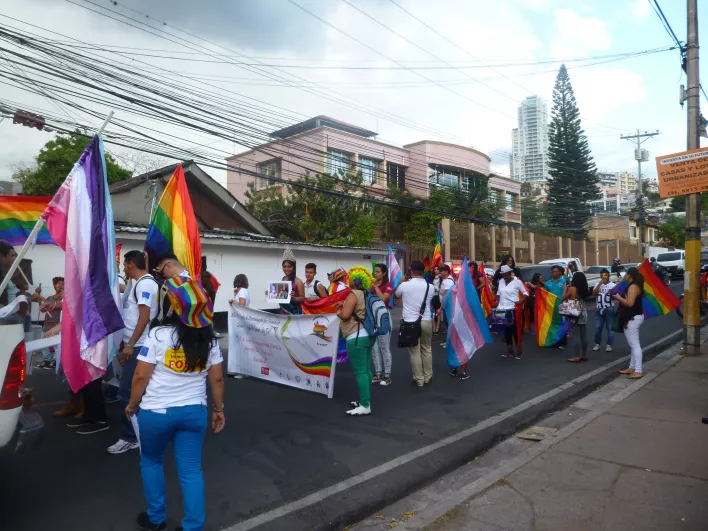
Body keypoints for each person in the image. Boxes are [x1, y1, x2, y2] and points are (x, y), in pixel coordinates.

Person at [126, 277, 224, 531]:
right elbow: (217, 379)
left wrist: (132, 405)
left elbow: (139, 377)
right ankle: (193, 526)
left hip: (156, 413)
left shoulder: (158, 335)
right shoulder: (210, 339)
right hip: (195, 412)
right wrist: (218, 409)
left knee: (151, 461)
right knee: (191, 471)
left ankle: (156, 518)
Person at [108, 250, 160, 455]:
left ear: (130, 264)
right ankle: (143, 433)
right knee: (140, 393)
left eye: (124, 265)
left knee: (127, 393)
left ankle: (130, 438)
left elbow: (144, 318)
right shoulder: (137, 283)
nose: (123, 269)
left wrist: (130, 345)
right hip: (135, 344)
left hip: (139, 346)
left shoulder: (145, 284)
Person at [336, 266, 376, 415]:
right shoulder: (367, 293)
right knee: (366, 371)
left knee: (360, 372)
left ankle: (365, 405)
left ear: (352, 280)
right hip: (368, 335)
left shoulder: (353, 294)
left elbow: (346, 315)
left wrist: (339, 312)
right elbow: (357, 310)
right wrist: (345, 306)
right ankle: (365, 400)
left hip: (356, 337)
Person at [395, 260, 435, 387]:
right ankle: (428, 376)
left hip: (410, 322)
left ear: (411, 270)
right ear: (423, 271)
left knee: (414, 351)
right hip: (427, 320)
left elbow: (396, 295)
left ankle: (419, 379)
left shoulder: (405, 285)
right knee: (427, 349)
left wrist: (401, 282)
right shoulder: (431, 287)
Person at [613, 267, 645, 379]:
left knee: (635, 345)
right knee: (633, 344)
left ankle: (638, 370)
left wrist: (618, 298)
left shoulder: (633, 286)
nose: (624, 275)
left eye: (626, 273)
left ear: (630, 274)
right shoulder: (634, 285)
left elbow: (630, 303)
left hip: (632, 318)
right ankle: (632, 367)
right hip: (633, 317)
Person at [494, 265, 528, 359]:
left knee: (515, 331)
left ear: (510, 273)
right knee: (506, 331)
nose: (505, 276)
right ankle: (510, 351)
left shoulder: (517, 282)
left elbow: (526, 293)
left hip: (513, 309)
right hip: (502, 309)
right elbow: (498, 293)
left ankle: (519, 351)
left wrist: (521, 301)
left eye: (507, 274)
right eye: (503, 275)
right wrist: (496, 301)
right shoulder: (501, 281)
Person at [33, 276, 64, 370]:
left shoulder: (63, 297)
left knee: (56, 345)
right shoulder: (50, 297)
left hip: (56, 325)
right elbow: (46, 307)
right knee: (43, 343)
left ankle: (55, 361)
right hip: (47, 324)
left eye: (63, 284)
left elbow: (52, 305)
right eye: (59, 283)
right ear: (54, 285)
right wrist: (39, 302)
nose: (61, 285)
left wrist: (41, 297)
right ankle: (47, 360)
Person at [370, 263, 393, 386]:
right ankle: (378, 373)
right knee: (374, 348)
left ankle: (387, 375)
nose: (375, 273)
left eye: (378, 271)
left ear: (384, 273)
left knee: (384, 347)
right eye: (375, 271)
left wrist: (375, 287)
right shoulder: (370, 286)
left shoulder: (388, 285)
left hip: (383, 317)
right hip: (372, 318)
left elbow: (384, 299)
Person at [564, 272, 589, 363]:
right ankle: (584, 355)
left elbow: (563, 297)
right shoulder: (584, 289)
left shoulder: (572, 288)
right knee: (583, 334)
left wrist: (565, 289)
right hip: (583, 312)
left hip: (575, 312)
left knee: (575, 335)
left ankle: (576, 356)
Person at [592, 268, 616, 353]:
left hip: (609, 308)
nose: (604, 277)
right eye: (602, 275)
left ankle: (609, 345)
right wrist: (599, 284)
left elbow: (616, 297)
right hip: (599, 308)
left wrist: (611, 293)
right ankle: (597, 344)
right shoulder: (597, 284)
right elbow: (594, 294)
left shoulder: (613, 285)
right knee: (598, 327)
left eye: (605, 275)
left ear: (609, 275)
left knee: (610, 328)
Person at [545, 264, 568, 349]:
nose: (554, 273)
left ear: (560, 272)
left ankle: (563, 342)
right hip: (552, 308)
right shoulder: (548, 283)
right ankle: (554, 341)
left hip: (562, 307)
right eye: (553, 272)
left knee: (562, 324)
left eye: (555, 271)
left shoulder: (564, 282)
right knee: (553, 324)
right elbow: (545, 295)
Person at [278, 249, 305, 315]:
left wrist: (293, 298)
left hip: (293, 313)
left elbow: (302, 298)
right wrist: (271, 294)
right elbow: (280, 295)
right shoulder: (283, 279)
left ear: (293, 267)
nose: (286, 269)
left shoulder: (298, 281)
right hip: (283, 311)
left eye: (289, 267)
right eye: (284, 266)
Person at [437, 265, 455, 347]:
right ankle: (449, 341)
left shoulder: (447, 282)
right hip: (448, 306)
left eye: (442, 271)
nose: (440, 272)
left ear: (446, 272)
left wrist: (440, 308)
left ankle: (450, 342)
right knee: (447, 323)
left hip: (448, 306)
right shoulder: (447, 280)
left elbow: (446, 296)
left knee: (448, 324)